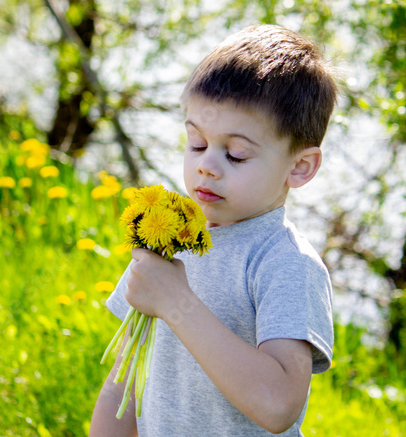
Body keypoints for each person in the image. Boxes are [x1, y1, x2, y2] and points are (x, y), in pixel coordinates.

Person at [89, 24, 337, 436]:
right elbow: (124, 384)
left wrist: (176, 302)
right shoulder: (169, 239)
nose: (206, 165)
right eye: (197, 143)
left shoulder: (286, 264)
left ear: (299, 167)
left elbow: (278, 406)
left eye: (236, 154)